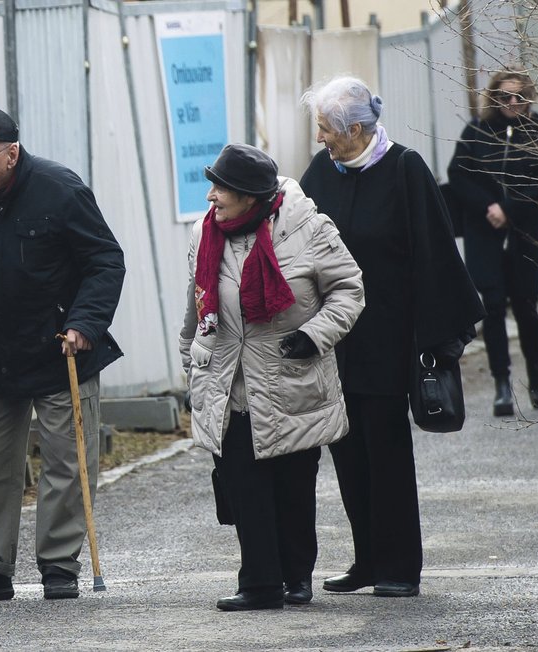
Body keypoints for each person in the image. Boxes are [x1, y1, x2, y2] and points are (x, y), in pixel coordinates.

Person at [0, 105, 125, 602]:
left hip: (61, 351)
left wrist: (85, 324)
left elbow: (105, 260)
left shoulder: (61, 190)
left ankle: (59, 566)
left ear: (11, 153)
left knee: (67, 465)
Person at [299, 76, 484, 598]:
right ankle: (366, 561)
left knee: (387, 455)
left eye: (326, 129)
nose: (320, 140)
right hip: (335, 341)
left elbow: (435, 254)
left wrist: (437, 338)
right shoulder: (320, 173)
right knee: (349, 455)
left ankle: (400, 566)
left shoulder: (404, 170)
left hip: (388, 339)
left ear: (355, 129)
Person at [179, 144, 365, 611]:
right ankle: (260, 583)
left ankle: (296, 578)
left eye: (220, 187)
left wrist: (315, 334)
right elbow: (194, 312)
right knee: (243, 484)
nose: (211, 197)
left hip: (291, 378)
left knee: (292, 485)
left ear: (249, 196)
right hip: (228, 383)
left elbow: (349, 289)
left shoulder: (308, 228)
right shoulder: (206, 236)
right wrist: (192, 369)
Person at [447, 68, 538, 416]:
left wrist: (508, 211)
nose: (512, 103)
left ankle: (536, 372)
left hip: (524, 229)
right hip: (484, 232)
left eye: (519, 97)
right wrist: (489, 207)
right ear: (494, 97)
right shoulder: (477, 131)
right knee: (492, 305)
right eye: (505, 96)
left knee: (525, 303)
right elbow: (458, 175)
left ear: (529, 98)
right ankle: (501, 384)